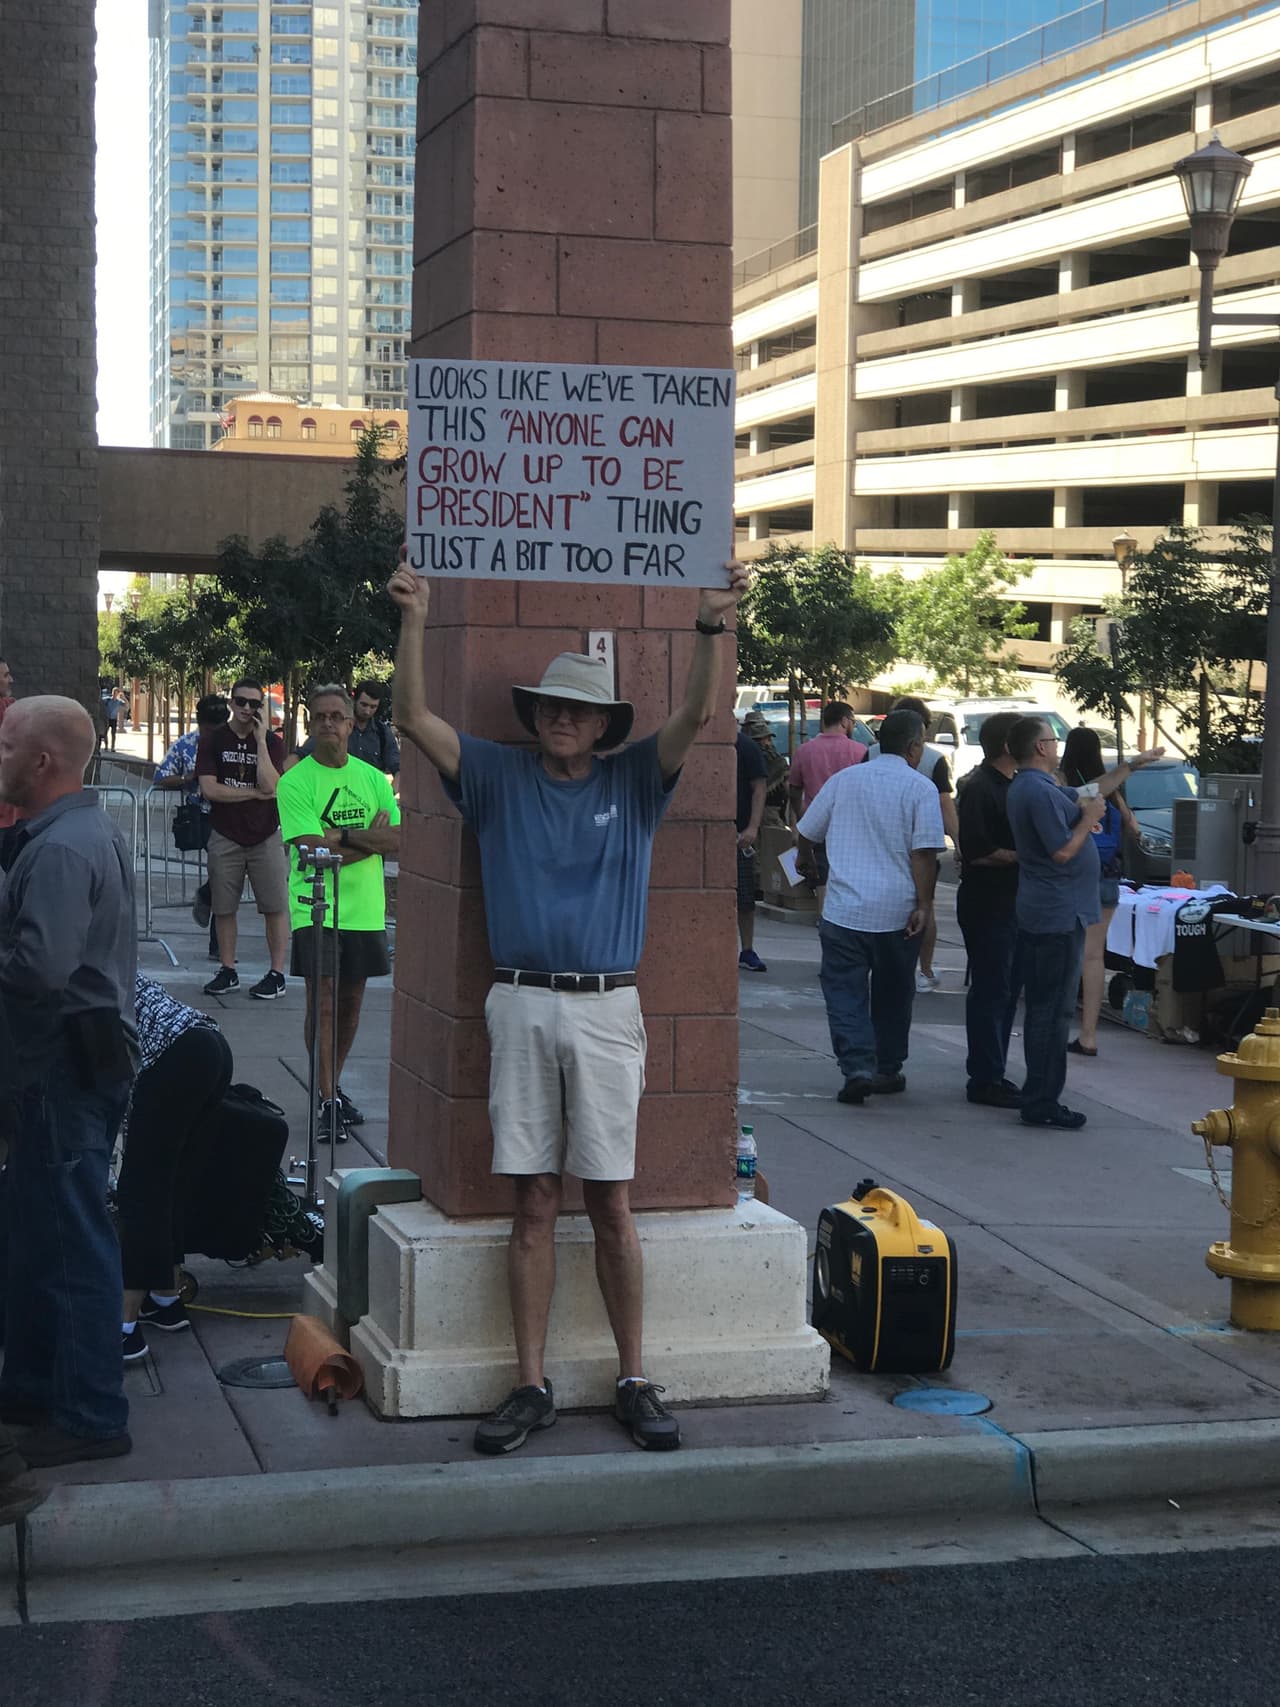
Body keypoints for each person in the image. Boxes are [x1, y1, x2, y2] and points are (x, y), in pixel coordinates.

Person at [387, 555, 748, 1457]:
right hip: (518, 1003)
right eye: (551, 705)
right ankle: (530, 1382)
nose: (562, 718)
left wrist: (710, 627)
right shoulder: (497, 776)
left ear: (602, 724)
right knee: (535, 1202)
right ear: (536, 714)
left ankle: (633, 1373)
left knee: (612, 1201)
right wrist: (415, 617)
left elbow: (700, 715)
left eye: (579, 708)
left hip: (604, 1006)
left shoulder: (634, 782)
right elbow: (409, 719)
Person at [0, 697, 138, 1467]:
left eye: (6, 742)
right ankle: (30, 1387)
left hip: (62, 1065)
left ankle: (90, 1413)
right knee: (34, 1231)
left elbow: (40, 969)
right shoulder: (72, 832)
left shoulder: (59, 849)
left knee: (74, 1239)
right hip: (68, 1061)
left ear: (42, 761)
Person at [1006, 717, 1163, 1130]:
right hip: (1055, 913)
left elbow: (1087, 792)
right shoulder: (1035, 792)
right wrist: (1086, 818)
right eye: (1052, 740)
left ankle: (1040, 1093)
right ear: (1040, 748)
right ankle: (1042, 1098)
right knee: (1052, 1011)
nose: (1057, 746)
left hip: (1059, 909)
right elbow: (1062, 851)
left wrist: (1131, 766)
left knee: (1050, 1008)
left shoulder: (1041, 788)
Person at [796, 708, 944, 1105]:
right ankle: (887, 1067)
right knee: (895, 994)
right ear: (914, 747)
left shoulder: (844, 781)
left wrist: (805, 859)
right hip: (898, 913)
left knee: (844, 993)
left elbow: (807, 830)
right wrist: (924, 904)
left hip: (845, 911)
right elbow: (924, 854)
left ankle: (857, 1066)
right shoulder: (920, 789)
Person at [277, 684, 400, 1137]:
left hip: (364, 911)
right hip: (316, 908)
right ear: (310, 725)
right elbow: (310, 851)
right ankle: (327, 1097)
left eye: (337, 716)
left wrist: (341, 838)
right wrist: (367, 840)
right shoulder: (295, 782)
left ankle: (333, 1084)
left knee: (350, 1005)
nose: (328, 723)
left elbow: (400, 839)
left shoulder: (372, 779)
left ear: (352, 724)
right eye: (320, 717)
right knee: (323, 1000)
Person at [119, 976, 232, 1362]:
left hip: (174, 1057)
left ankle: (123, 1327)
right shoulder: (102, 946)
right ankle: (165, 1299)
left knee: (140, 1190)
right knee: (167, 1186)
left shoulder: (61, 966)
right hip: (207, 1044)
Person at [197, 677, 290, 1000]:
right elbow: (210, 789)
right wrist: (253, 793)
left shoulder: (273, 743)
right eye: (241, 702)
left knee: (275, 905)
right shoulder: (213, 740)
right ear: (231, 703)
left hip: (266, 835)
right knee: (224, 907)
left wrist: (261, 742)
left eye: (254, 704)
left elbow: (273, 787)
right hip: (226, 834)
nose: (247, 709)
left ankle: (276, 973)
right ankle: (227, 969)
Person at [955, 710, 1024, 1109]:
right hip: (989, 903)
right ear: (1006, 746)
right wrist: (1023, 856)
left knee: (1007, 989)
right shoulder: (982, 787)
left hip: (1011, 903)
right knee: (991, 989)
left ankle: (994, 1069)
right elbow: (976, 850)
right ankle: (984, 1077)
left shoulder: (1012, 784)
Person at [1058, 727, 1139, 1058]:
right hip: (1108, 877)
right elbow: (1133, 828)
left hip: (1074, 875)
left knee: (1068, 952)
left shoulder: (1063, 782)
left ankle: (1059, 1026)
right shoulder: (1110, 787)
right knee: (1094, 955)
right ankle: (1089, 1034)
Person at [870, 696, 958, 993]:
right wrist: (959, 844)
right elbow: (946, 805)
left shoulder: (869, 754)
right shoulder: (934, 759)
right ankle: (924, 968)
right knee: (925, 906)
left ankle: (878, 966)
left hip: (878, 843)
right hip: (918, 844)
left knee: (880, 903)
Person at [154, 694, 230, 959]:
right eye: (211, 727)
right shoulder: (185, 745)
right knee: (224, 874)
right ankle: (218, 946)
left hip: (235, 814)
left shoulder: (236, 743)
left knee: (230, 876)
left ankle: (206, 896)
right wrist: (189, 778)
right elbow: (161, 777)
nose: (215, 732)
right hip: (205, 816)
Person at [787, 701, 867, 907]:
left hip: (817, 822)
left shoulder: (804, 751)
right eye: (853, 722)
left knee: (822, 871)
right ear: (844, 721)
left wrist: (801, 815)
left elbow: (794, 789)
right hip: (851, 825)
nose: (853, 726)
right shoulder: (860, 751)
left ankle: (824, 917)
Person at [292, 680, 401, 788]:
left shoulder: (382, 732)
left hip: (371, 795)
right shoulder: (335, 729)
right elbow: (299, 756)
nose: (367, 711)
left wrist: (390, 794)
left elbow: (398, 769)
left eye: (373, 707)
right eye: (364, 705)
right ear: (354, 700)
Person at [735, 719, 769, 973]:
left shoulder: (746, 747)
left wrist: (752, 827)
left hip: (739, 833)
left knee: (746, 898)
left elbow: (759, 787)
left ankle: (747, 949)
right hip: (714, 832)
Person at [741, 709, 789, 827]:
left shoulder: (740, 754)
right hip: (769, 816)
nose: (768, 742)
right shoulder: (775, 760)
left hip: (756, 814)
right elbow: (789, 790)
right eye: (766, 738)